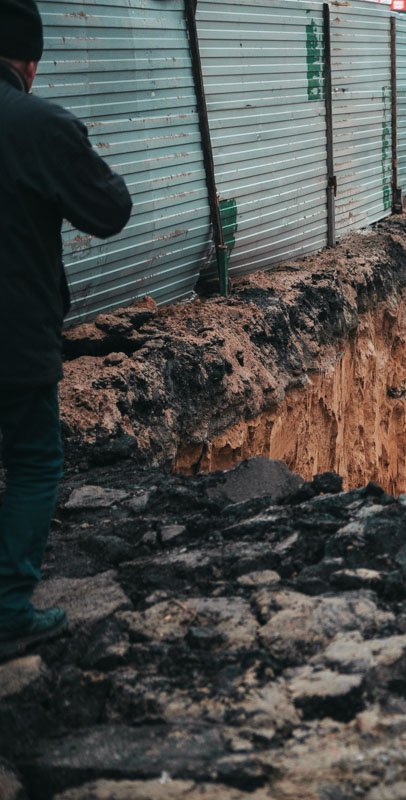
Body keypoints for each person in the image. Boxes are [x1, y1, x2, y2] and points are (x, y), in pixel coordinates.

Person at [0, 0, 132, 659]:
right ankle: (6, 611)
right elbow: (109, 211)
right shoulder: (36, 123)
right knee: (31, 463)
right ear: (27, 61)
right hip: (14, 337)